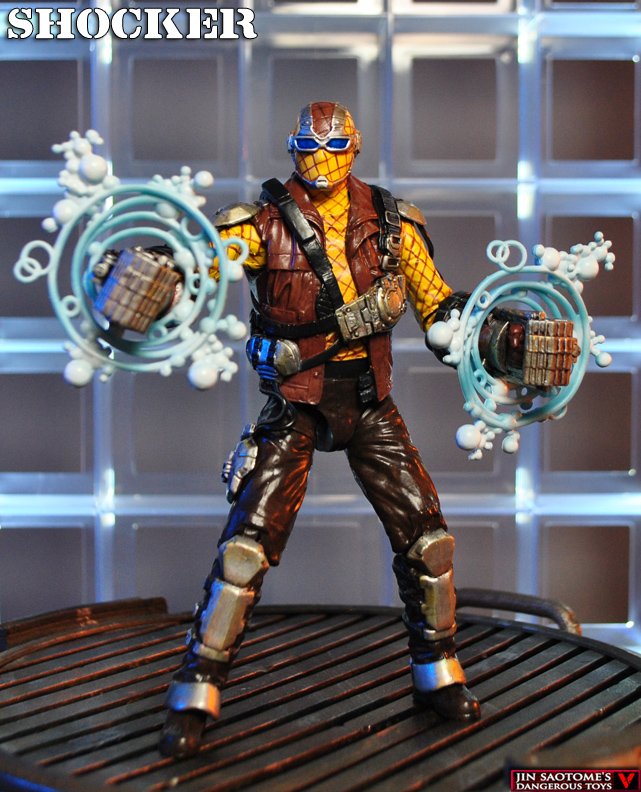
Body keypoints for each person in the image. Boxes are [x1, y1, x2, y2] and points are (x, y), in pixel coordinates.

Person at [157, 101, 545, 758]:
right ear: (292, 148)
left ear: (353, 150)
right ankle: (198, 684)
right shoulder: (260, 223)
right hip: (295, 403)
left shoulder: (393, 225)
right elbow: (199, 266)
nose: (319, 160)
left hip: (368, 400)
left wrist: (502, 339)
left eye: (333, 148)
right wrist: (154, 278)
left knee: (428, 541)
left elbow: (440, 311)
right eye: (307, 147)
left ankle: (437, 671)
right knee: (245, 550)